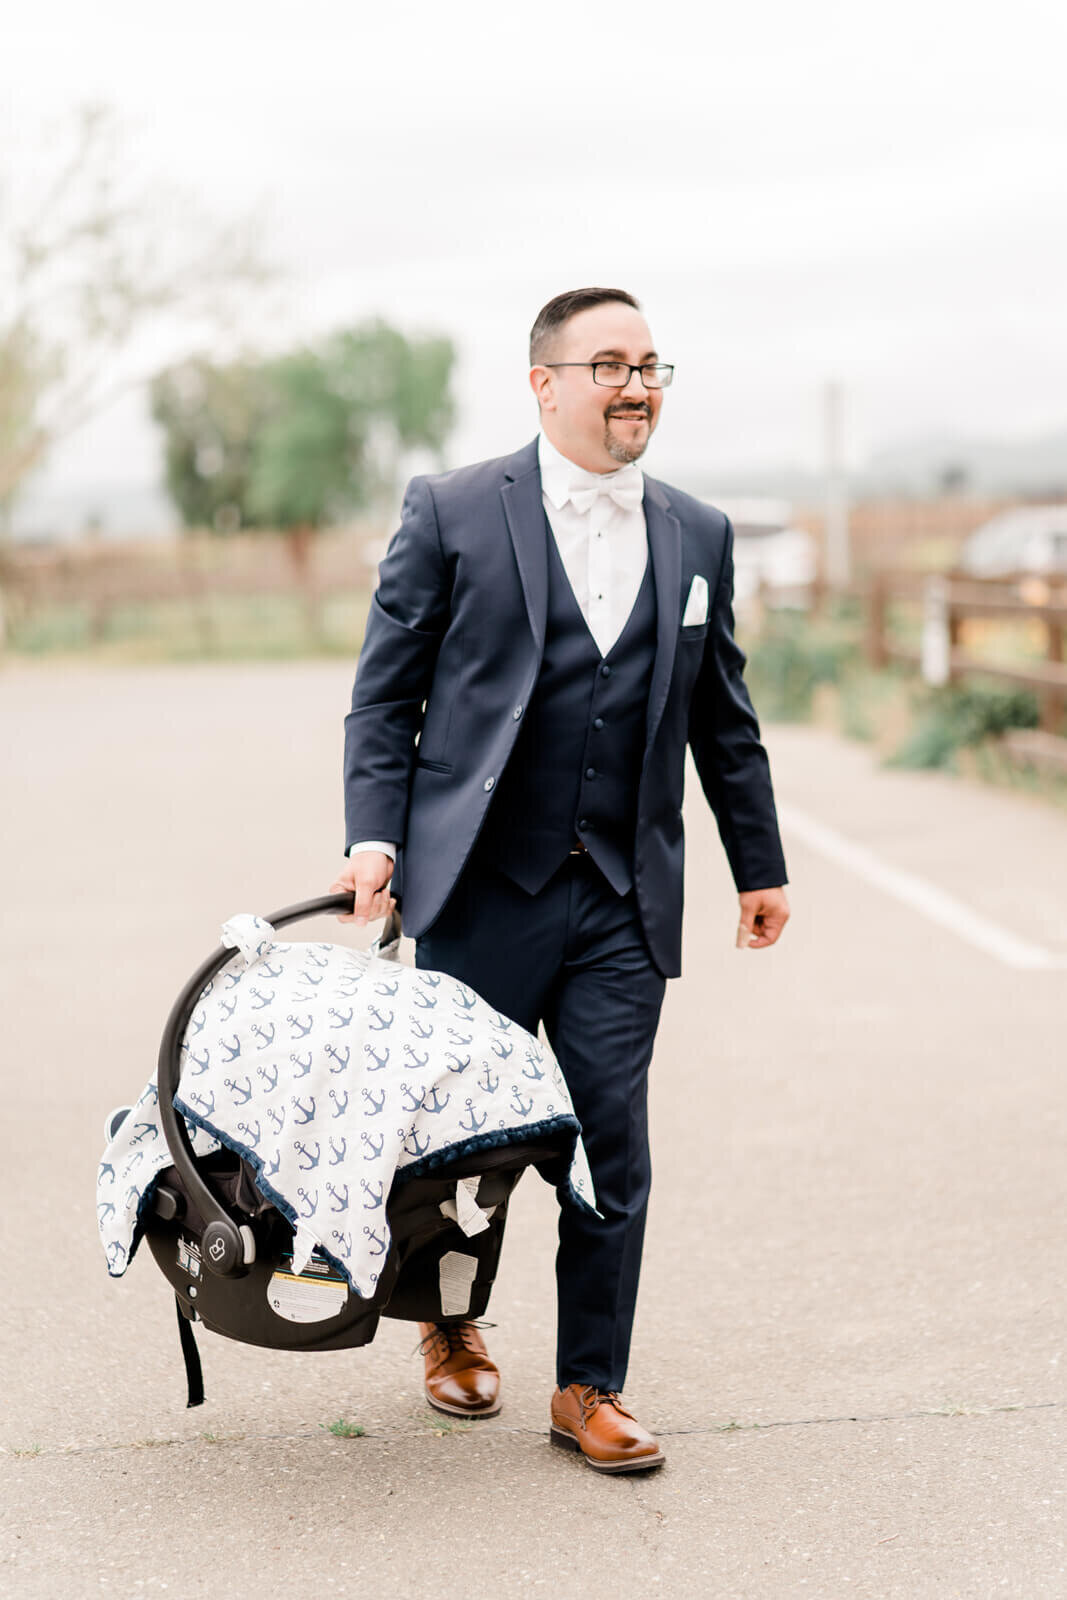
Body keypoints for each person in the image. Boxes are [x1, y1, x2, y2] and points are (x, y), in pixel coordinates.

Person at [333, 287, 789, 1473]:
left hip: (622, 894)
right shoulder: (450, 510)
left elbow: (720, 717)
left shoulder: (697, 530)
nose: (635, 383)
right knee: (458, 1144)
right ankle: (446, 1325)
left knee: (608, 1142)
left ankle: (588, 1383)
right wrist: (375, 837)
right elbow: (386, 697)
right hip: (480, 885)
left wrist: (759, 863)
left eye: (649, 365)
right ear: (543, 383)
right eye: (608, 364)